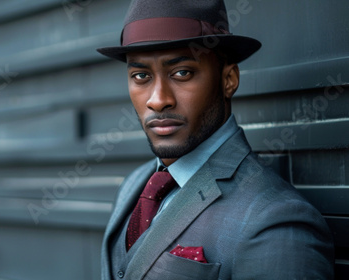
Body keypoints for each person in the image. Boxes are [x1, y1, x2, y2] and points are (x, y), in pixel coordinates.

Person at [96, 0, 334, 279]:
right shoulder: (133, 187)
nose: (158, 100)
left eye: (182, 73)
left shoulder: (273, 221)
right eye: (141, 75)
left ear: (229, 80)